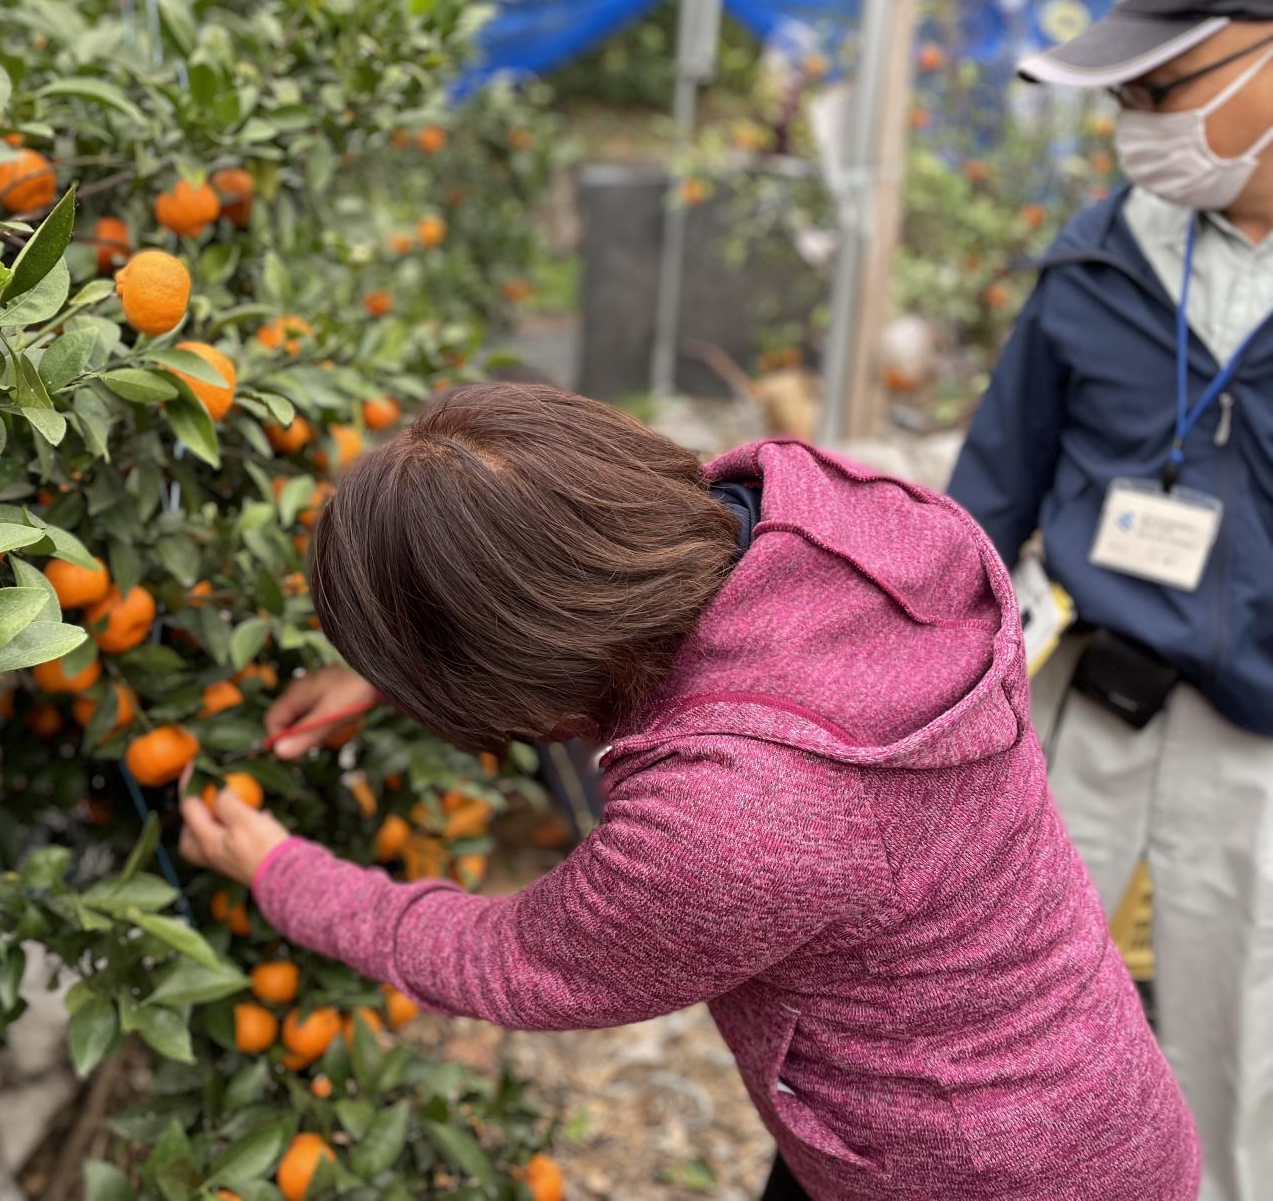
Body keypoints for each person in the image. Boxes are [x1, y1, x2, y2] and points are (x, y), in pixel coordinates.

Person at [179, 383, 1199, 1201]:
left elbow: (510, 961)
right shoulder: (842, 519)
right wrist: (407, 656)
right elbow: (605, 594)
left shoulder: (732, 818)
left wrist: (276, 869)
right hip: (1065, 1093)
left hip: (964, 1173)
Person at [948, 0, 1273, 1199]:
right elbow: (979, 509)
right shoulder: (1093, 268)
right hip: (1090, 701)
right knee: (997, 1008)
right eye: (1121, 91)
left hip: (1253, 737)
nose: (1135, 118)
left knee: (1235, 1051)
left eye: (1162, 84)